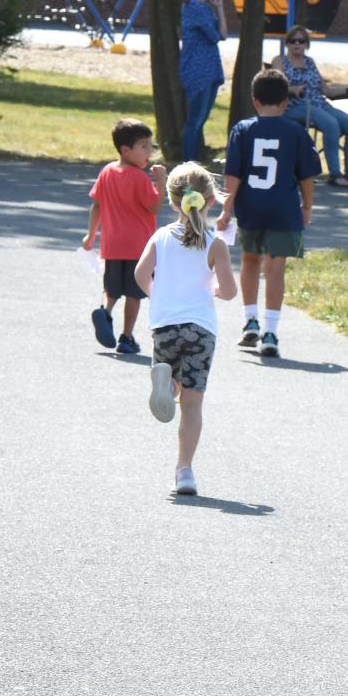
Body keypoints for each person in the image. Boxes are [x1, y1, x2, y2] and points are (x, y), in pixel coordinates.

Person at [133, 162, 238, 496]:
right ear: (210, 201)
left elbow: (140, 274)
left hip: (164, 324)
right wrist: (215, 291)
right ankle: (184, 472)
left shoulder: (161, 237)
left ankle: (167, 386)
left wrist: (159, 294)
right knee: (192, 404)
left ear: (173, 202)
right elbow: (230, 290)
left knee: (171, 376)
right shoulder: (215, 244)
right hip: (200, 330)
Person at [217, 67, 320, 359]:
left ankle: (250, 319)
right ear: (286, 102)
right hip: (283, 208)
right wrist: (307, 207)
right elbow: (306, 176)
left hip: (250, 206)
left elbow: (233, 174)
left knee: (249, 261)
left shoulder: (243, 129)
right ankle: (271, 332)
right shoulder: (296, 132)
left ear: (255, 100)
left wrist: (227, 208)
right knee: (275, 268)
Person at [82, 118, 167, 354]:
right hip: (138, 246)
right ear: (125, 150)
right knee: (134, 293)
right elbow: (153, 207)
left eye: (150, 146)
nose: (148, 151)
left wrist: (90, 236)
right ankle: (126, 337)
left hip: (111, 244)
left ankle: (105, 313)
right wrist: (161, 183)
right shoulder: (139, 178)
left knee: (112, 288)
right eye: (143, 147)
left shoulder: (107, 171)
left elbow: (96, 205)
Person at [271, 25, 348, 188]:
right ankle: (335, 175)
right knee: (331, 124)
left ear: (306, 44)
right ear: (287, 43)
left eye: (301, 41)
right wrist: (291, 89)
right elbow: (276, 86)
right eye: (292, 40)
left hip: (320, 104)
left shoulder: (310, 62)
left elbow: (326, 90)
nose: (296, 44)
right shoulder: (280, 61)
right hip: (295, 105)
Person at [178, 0, 228, 163]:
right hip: (197, 71)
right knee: (195, 121)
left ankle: (194, 161)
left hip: (210, 69)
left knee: (200, 120)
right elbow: (214, 36)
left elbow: (223, 34)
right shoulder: (192, 8)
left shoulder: (206, 7)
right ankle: (188, 163)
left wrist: (220, 8)